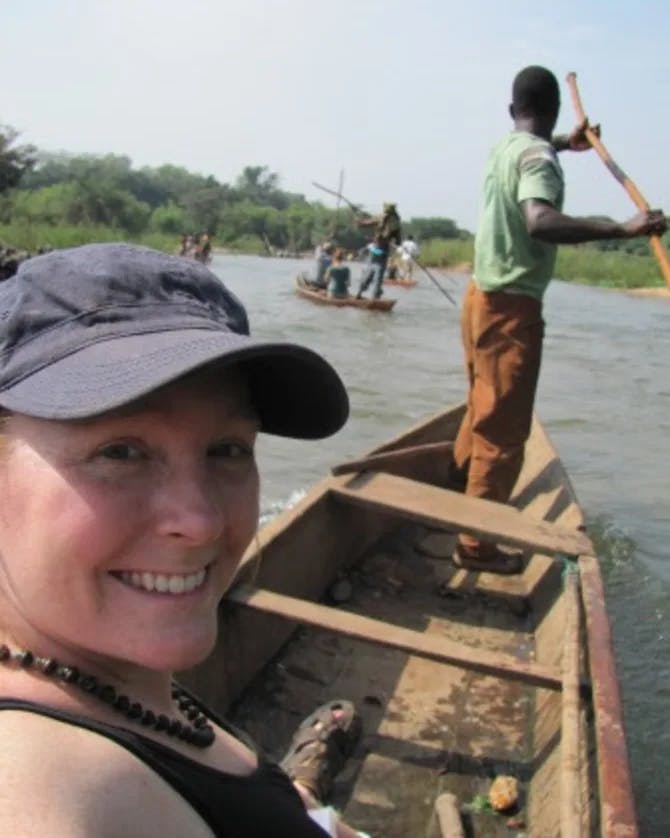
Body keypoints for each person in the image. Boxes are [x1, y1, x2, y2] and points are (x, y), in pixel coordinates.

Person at [0, 243, 367, 837]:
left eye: (228, 450)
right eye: (119, 452)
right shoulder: (51, 797)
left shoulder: (110, 677)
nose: (200, 522)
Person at [451, 65, 667, 575]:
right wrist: (624, 227)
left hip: (479, 297)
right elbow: (539, 220)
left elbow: (534, 154)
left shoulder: (508, 147)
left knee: (480, 404)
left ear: (513, 111)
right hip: (511, 310)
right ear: (549, 111)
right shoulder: (538, 157)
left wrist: (568, 143)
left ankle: (456, 481)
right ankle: (475, 543)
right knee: (503, 434)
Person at [356, 202, 402, 299]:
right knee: (378, 275)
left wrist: (359, 222)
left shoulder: (381, 217)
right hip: (383, 251)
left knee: (370, 272)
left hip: (376, 249)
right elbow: (398, 241)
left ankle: (360, 293)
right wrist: (396, 243)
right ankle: (375, 296)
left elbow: (367, 223)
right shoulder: (396, 221)